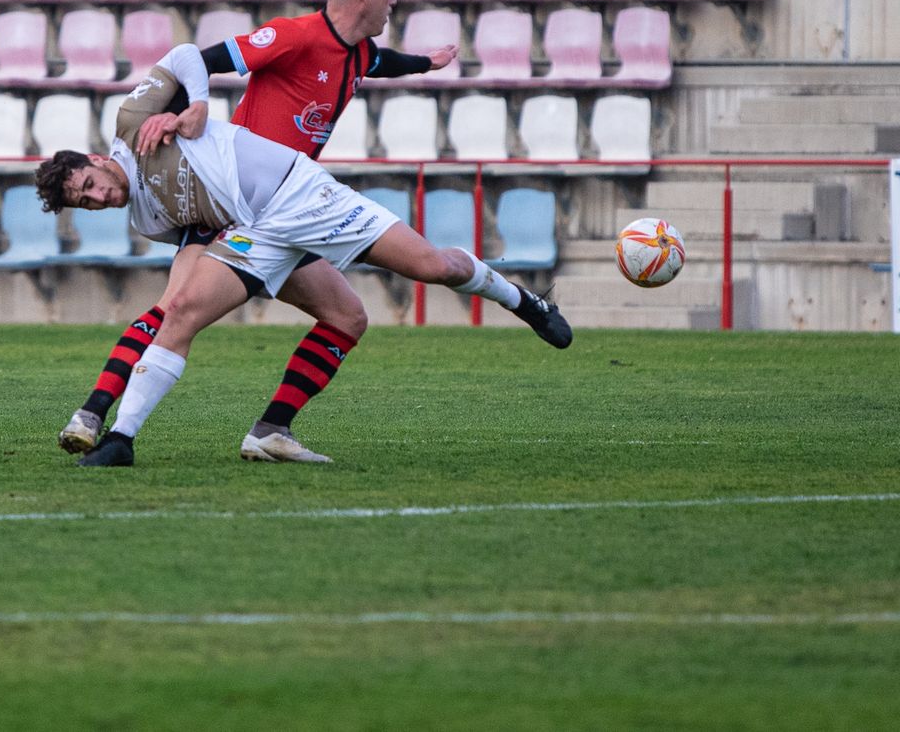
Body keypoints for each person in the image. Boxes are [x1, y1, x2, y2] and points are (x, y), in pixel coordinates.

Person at [35, 41, 570, 467]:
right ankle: (134, 439)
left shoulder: (136, 124)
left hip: (301, 195)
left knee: (433, 268)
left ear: (97, 159)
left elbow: (185, 55)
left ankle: (521, 299)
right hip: (257, 232)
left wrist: (195, 104)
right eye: (86, 203)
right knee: (186, 312)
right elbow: (199, 234)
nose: (98, 198)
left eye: (91, 184)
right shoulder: (147, 220)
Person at [57, 0, 457, 464]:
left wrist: (427, 63)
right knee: (175, 311)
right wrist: (181, 110)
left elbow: (382, 63)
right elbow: (201, 60)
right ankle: (97, 418)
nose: (394, 0)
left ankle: (270, 431)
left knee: (343, 316)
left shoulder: (359, 51)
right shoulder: (293, 35)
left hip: (290, 207)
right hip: (238, 199)